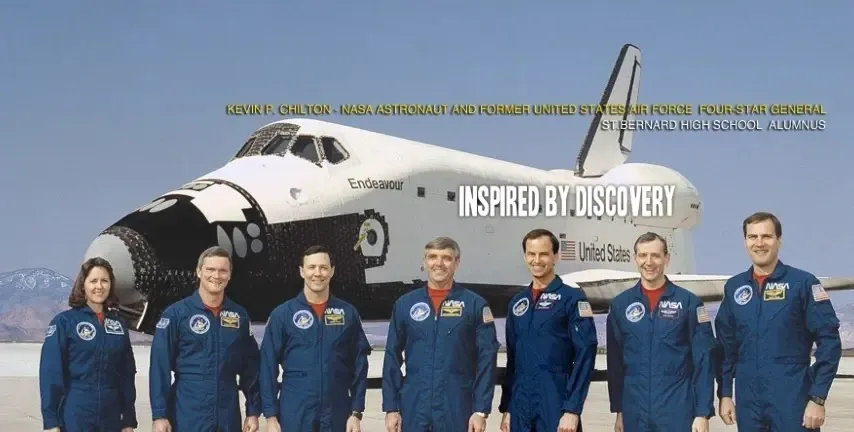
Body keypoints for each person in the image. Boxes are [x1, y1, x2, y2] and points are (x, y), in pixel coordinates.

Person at [715, 212, 842, 431]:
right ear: (745, 241)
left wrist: (818, 397)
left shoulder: (802, 283)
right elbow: (726, 348)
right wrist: (725, 393)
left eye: (767, 236)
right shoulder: (735, 288)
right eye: (752, 237)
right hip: (749, 403)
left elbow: (829, 341)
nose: (759, 243)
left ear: (779, 240)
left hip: (792, 401)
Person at [382, 236, 501, 432]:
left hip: (457, 408)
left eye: (446, 258)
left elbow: (486, 360)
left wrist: (480, 410)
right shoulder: (405, 304)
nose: (438, 263)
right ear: (424, 262)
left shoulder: (474, 305)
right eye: (432, 257)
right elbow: (391, 356)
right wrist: (391, 407)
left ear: (457, 263)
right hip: (413, 407)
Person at [606, 232, 716, 432]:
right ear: (635, 259)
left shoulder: (689, 303)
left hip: (676, 410)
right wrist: (620, 411)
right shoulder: (620, 305)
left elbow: (704, 361)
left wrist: (702, 413)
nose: (649, 262)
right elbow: (615, 364)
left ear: (667, 259)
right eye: (643, 256)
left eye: (655, 256)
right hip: (634, 412)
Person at [259, 245, 372, 432]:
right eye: (311, 267)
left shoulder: (347, 314)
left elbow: (360, 365)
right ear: (302, 271)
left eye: (323, 267)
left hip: (337, 411)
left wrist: (356, 412)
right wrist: (271, 416)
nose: (317, 273)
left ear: (332, 271)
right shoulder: (283, 315)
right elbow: (267, 366)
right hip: (295, 412)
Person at [149, 246, 261, 432]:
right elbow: (159, 368)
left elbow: (251, 367)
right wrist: (159, 415)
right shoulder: (176, 315)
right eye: (210, 269)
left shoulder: (239, 316)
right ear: (199, 271)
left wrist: (253, 411)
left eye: (222, 270)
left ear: (230, 275)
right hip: (188, 413)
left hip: (227, 414)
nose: (216, 276)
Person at [498, 228, 599, 432]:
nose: (537, 260)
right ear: (525, 256)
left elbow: (585, 355)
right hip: (520, 405)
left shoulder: (572, 299)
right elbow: (512, 359)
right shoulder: (518, 303)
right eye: (531, 254)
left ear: (556, 256)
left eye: (543, 254)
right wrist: (508, 407)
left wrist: (572, 410)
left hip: (555, 401)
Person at [39, 256, 138, 432]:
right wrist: (51, 421)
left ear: (111, 285)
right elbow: (51, 373)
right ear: (83, 285)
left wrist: (128, 419)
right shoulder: (64, 323)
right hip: (76, 412)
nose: (99, 286)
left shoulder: (118, 325)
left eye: (104, 281)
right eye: (93, 281)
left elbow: (127, 373)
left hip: (112, 415)